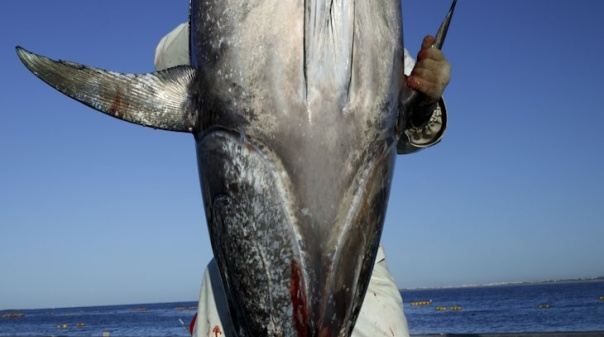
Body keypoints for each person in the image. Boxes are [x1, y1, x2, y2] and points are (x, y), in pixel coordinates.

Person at [155, 19, 450, 337]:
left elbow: (406, 130)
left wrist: (425, 98)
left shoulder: (372, 29)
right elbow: (167, 61)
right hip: (242, 269)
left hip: (351, 275)